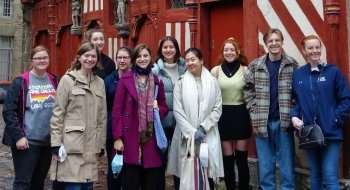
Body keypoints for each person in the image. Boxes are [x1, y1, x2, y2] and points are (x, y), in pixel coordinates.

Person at [290, 35, 350, 190]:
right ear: (304, 50)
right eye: (310, 48)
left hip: (331, 133)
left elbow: (345, 99)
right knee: (315, 174)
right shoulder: (298, 74)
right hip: (309, 133)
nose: (315, 51)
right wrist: (294, 116)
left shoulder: (333, 72)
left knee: (330, 175)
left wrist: (335, 120)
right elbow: (296, 101)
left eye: (317, 47)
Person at [243, 28, 298, 190]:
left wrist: (292, 110)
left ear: (282, 42)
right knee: (266, 167)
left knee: (287, 167)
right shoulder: (256, 65)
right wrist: (253, 110)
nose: (274, 44)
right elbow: (247, 89)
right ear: (266, 44)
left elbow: (298, 91)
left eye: (277, 40)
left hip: (284, 123)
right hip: (262, 122)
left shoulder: (292, 64)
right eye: (270, 41)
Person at [50, 42, 107, 190]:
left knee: (87, 186)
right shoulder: (67, 80)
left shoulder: (99, 83)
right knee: (73, 186)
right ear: (79, 58)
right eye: (86, 55)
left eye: (93, 56)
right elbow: (58, 113)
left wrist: (100, 144)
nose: (90, 59)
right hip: (71, 146)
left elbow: (102, 117)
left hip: (91, 147)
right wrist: (55, 143)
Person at [112, 43, 168, 190]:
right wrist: (117, 138)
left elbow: (164, 107)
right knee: (130, 182)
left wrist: (158, 108)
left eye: (146, 56)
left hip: (150, 138)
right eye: (139, 56)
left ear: (150, 58)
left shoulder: (156, 81)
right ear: (134, 59)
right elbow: (117, 111)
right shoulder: (126, 79)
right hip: (130, 137)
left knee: (150, 184)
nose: (142, 59)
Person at [2, 45, 58, 190]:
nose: (42, 60)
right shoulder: (21, 81)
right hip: (27, 142)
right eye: (38, 58)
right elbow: (9, 111)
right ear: (31, 61)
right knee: (23, 183)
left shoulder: (54, 80)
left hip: (47, 142)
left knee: (38, 183)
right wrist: (19, 136)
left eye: (45, 57)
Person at [167, 47, 224, 190]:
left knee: (207, 171)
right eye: (187, 60)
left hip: (208, 133)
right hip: (185, 135)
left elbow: (217, 108)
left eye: (193, 59)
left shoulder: (213, 82)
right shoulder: (180, 83)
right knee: (184, 173)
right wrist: (192, 132)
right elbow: (178, 111)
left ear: (201, 60)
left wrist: (203, 127)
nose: (190, 63)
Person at [211, 37, 251, 190]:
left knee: (241, 160)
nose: (229, 52)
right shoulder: (215, 71)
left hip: (241, 115)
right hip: (223, 116)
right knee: (228, 160)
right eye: (226, 50)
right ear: (223, 52)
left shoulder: (246, 70)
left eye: (232, 50)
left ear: (238, 52)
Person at [152, 36, 186, 190]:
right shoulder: (155, 70)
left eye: (171, 47)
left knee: (180, 159)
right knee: (161, 159)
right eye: (165, 47)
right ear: (161, 50)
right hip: (162, 121)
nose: (168, 50)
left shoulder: (185, 68)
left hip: (181, 122)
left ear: (176, 49)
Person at [104, 46, 133, 190]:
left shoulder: (136, 78)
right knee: (114, 165)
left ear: (131, 59)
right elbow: (105, 106)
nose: (122, 60)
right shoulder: (109, 80)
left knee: (130, 167)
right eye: (119, 58)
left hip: (132, 128)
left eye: (125, 57)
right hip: (113, 128)